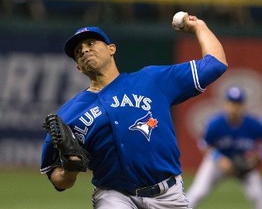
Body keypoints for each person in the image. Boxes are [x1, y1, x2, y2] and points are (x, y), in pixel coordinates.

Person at [40, 12, 228, 209]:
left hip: (168, 195)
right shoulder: (68, 115)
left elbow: (215, 64)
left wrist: (199, 27)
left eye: (91, 43)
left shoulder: (152, 80)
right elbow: (59, 180)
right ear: (78, 67)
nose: (84, 50)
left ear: (111, 49)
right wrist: (70, 169)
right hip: (114, 195)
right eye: (78, 51)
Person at [186, 86, 262, 209]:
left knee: (258, 195)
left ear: (243, 105)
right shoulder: (216, 123)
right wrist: (219, 158)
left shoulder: (253, 123)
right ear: (226, 104)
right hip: (217, 164)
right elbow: (204, 144)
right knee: (198, 192)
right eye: (232, 103)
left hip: (244, 164)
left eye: (238, 104)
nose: (234, 107)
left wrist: (259, 154)